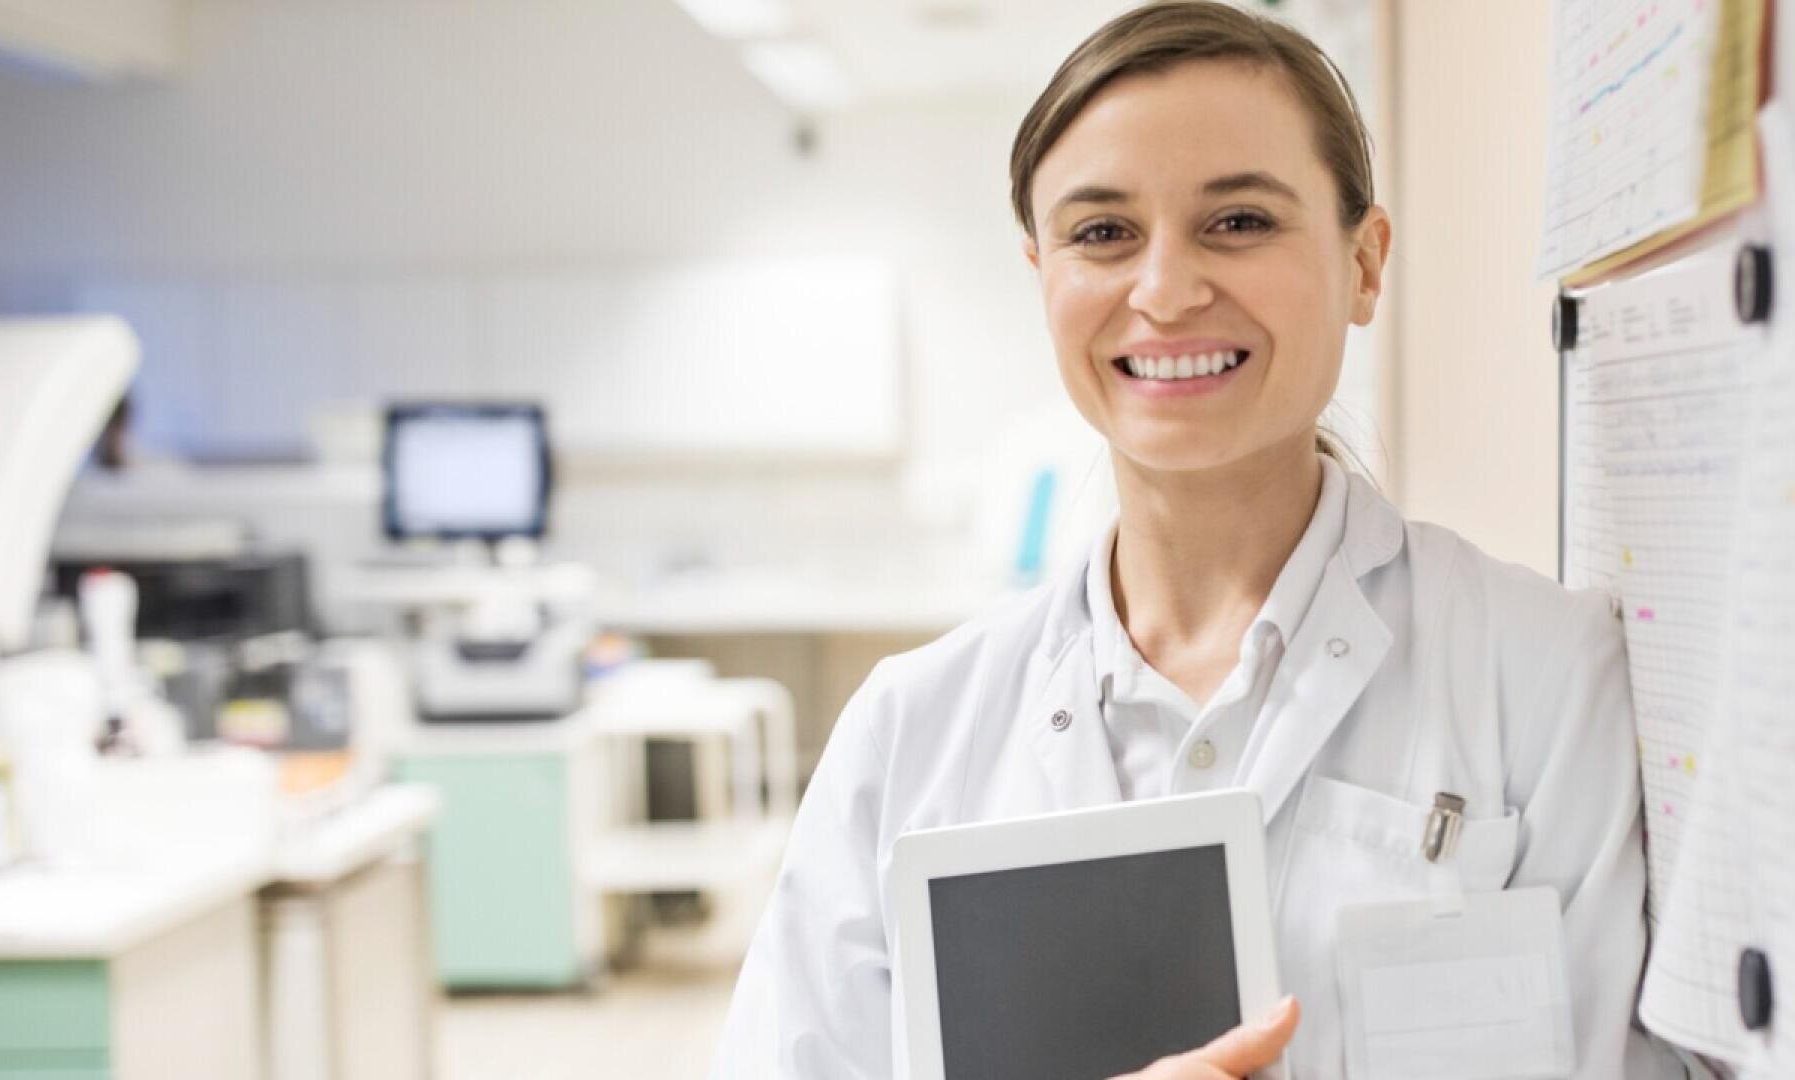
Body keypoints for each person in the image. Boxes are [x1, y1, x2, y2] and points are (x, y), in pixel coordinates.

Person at [712, 2, 1682, 1077]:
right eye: (1101, 233)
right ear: (1044, 275)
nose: (1166, 291)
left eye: (1239, 222)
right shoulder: (911, 732)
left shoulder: (1541, 672)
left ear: (1364, 264)